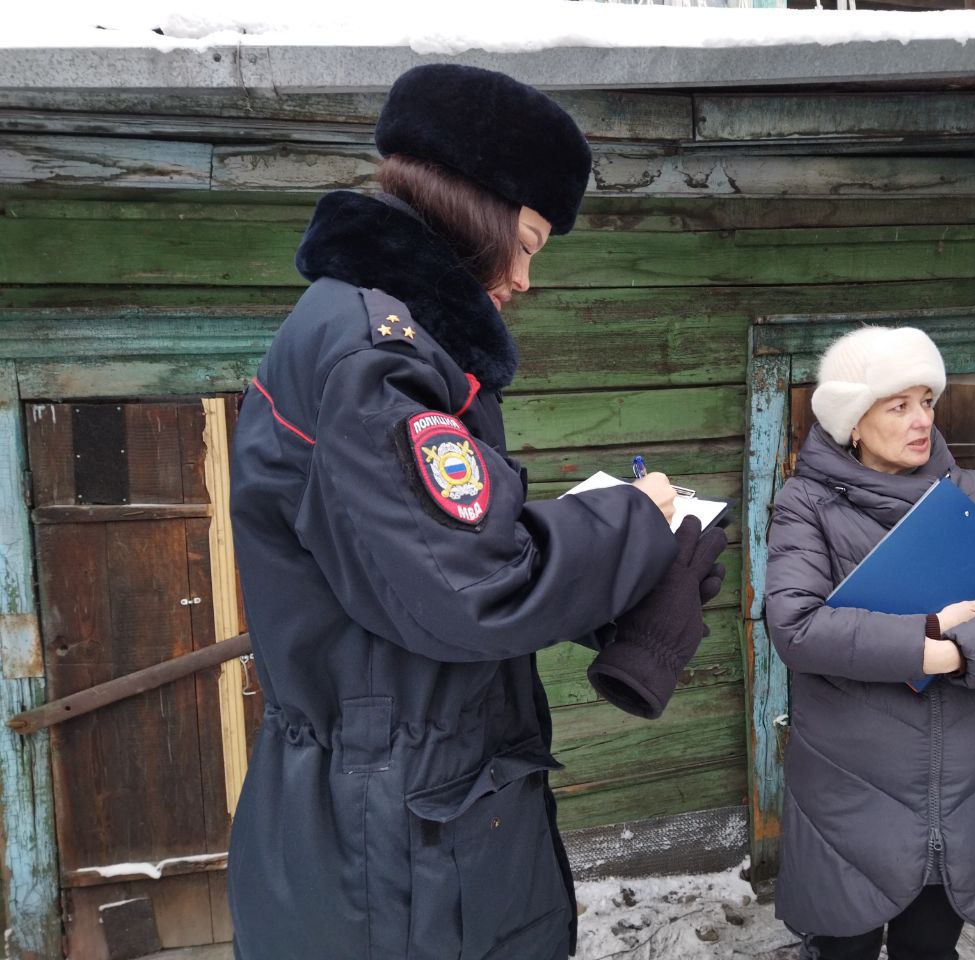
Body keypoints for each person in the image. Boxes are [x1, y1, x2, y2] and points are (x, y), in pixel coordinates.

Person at [227, 64, 727, 960]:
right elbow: (470, 589)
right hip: (397, 853)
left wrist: (623, 573)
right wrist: (635, 521)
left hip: (406, 814)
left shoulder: (380, 338)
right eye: (526, 243)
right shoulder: (375, 359)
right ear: (474, 211)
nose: (526, 280)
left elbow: (420, 560)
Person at [764, 326, 975, 960]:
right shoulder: (807, 504)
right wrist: (925, 641)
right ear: (853, 420)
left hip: (968, 790)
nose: (922, 420)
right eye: (898, 406)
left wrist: (961, 651)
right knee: (842, 948)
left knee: (930, 949)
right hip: (853, 790)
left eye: (926, 401)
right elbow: (796, 625)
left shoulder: (970, 493)